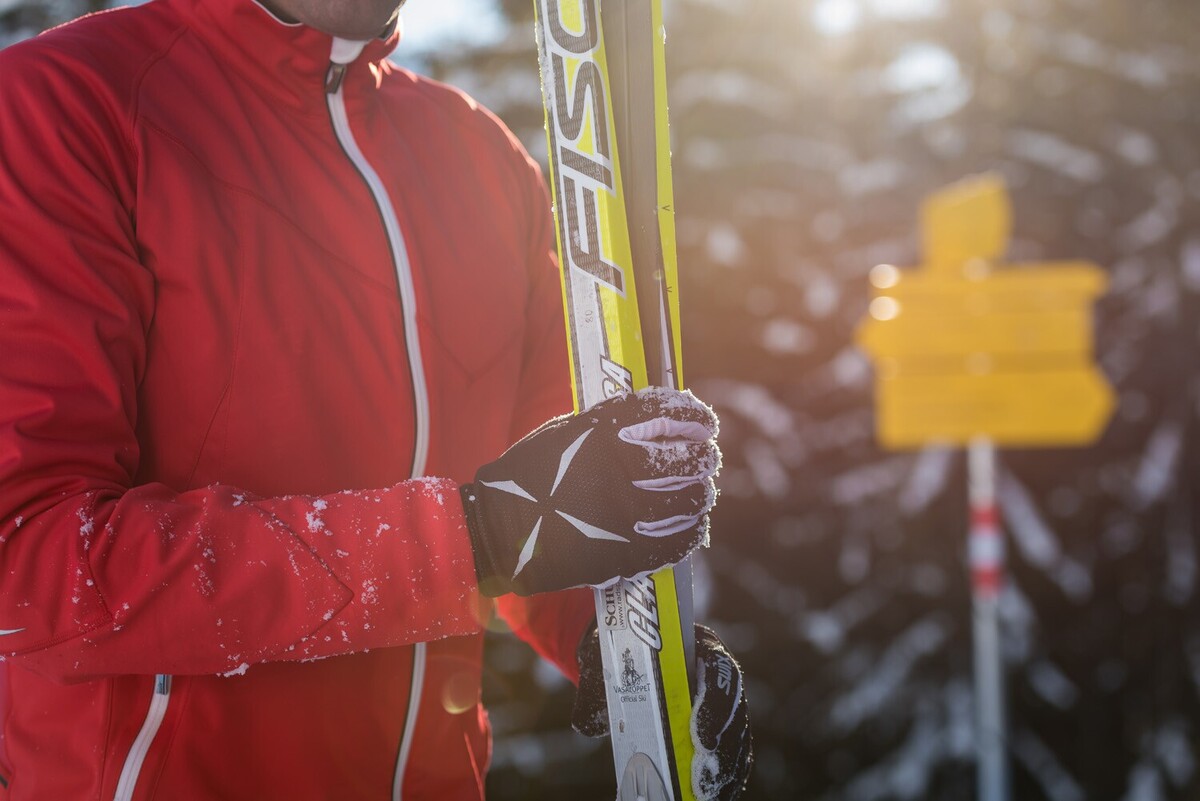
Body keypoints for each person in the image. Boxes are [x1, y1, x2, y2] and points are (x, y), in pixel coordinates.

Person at [0, 0, 751, 798]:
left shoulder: (480, 159)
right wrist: (479, 537)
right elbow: (30, 566)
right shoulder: (64, 106)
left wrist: (619, 641)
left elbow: (540, 504)